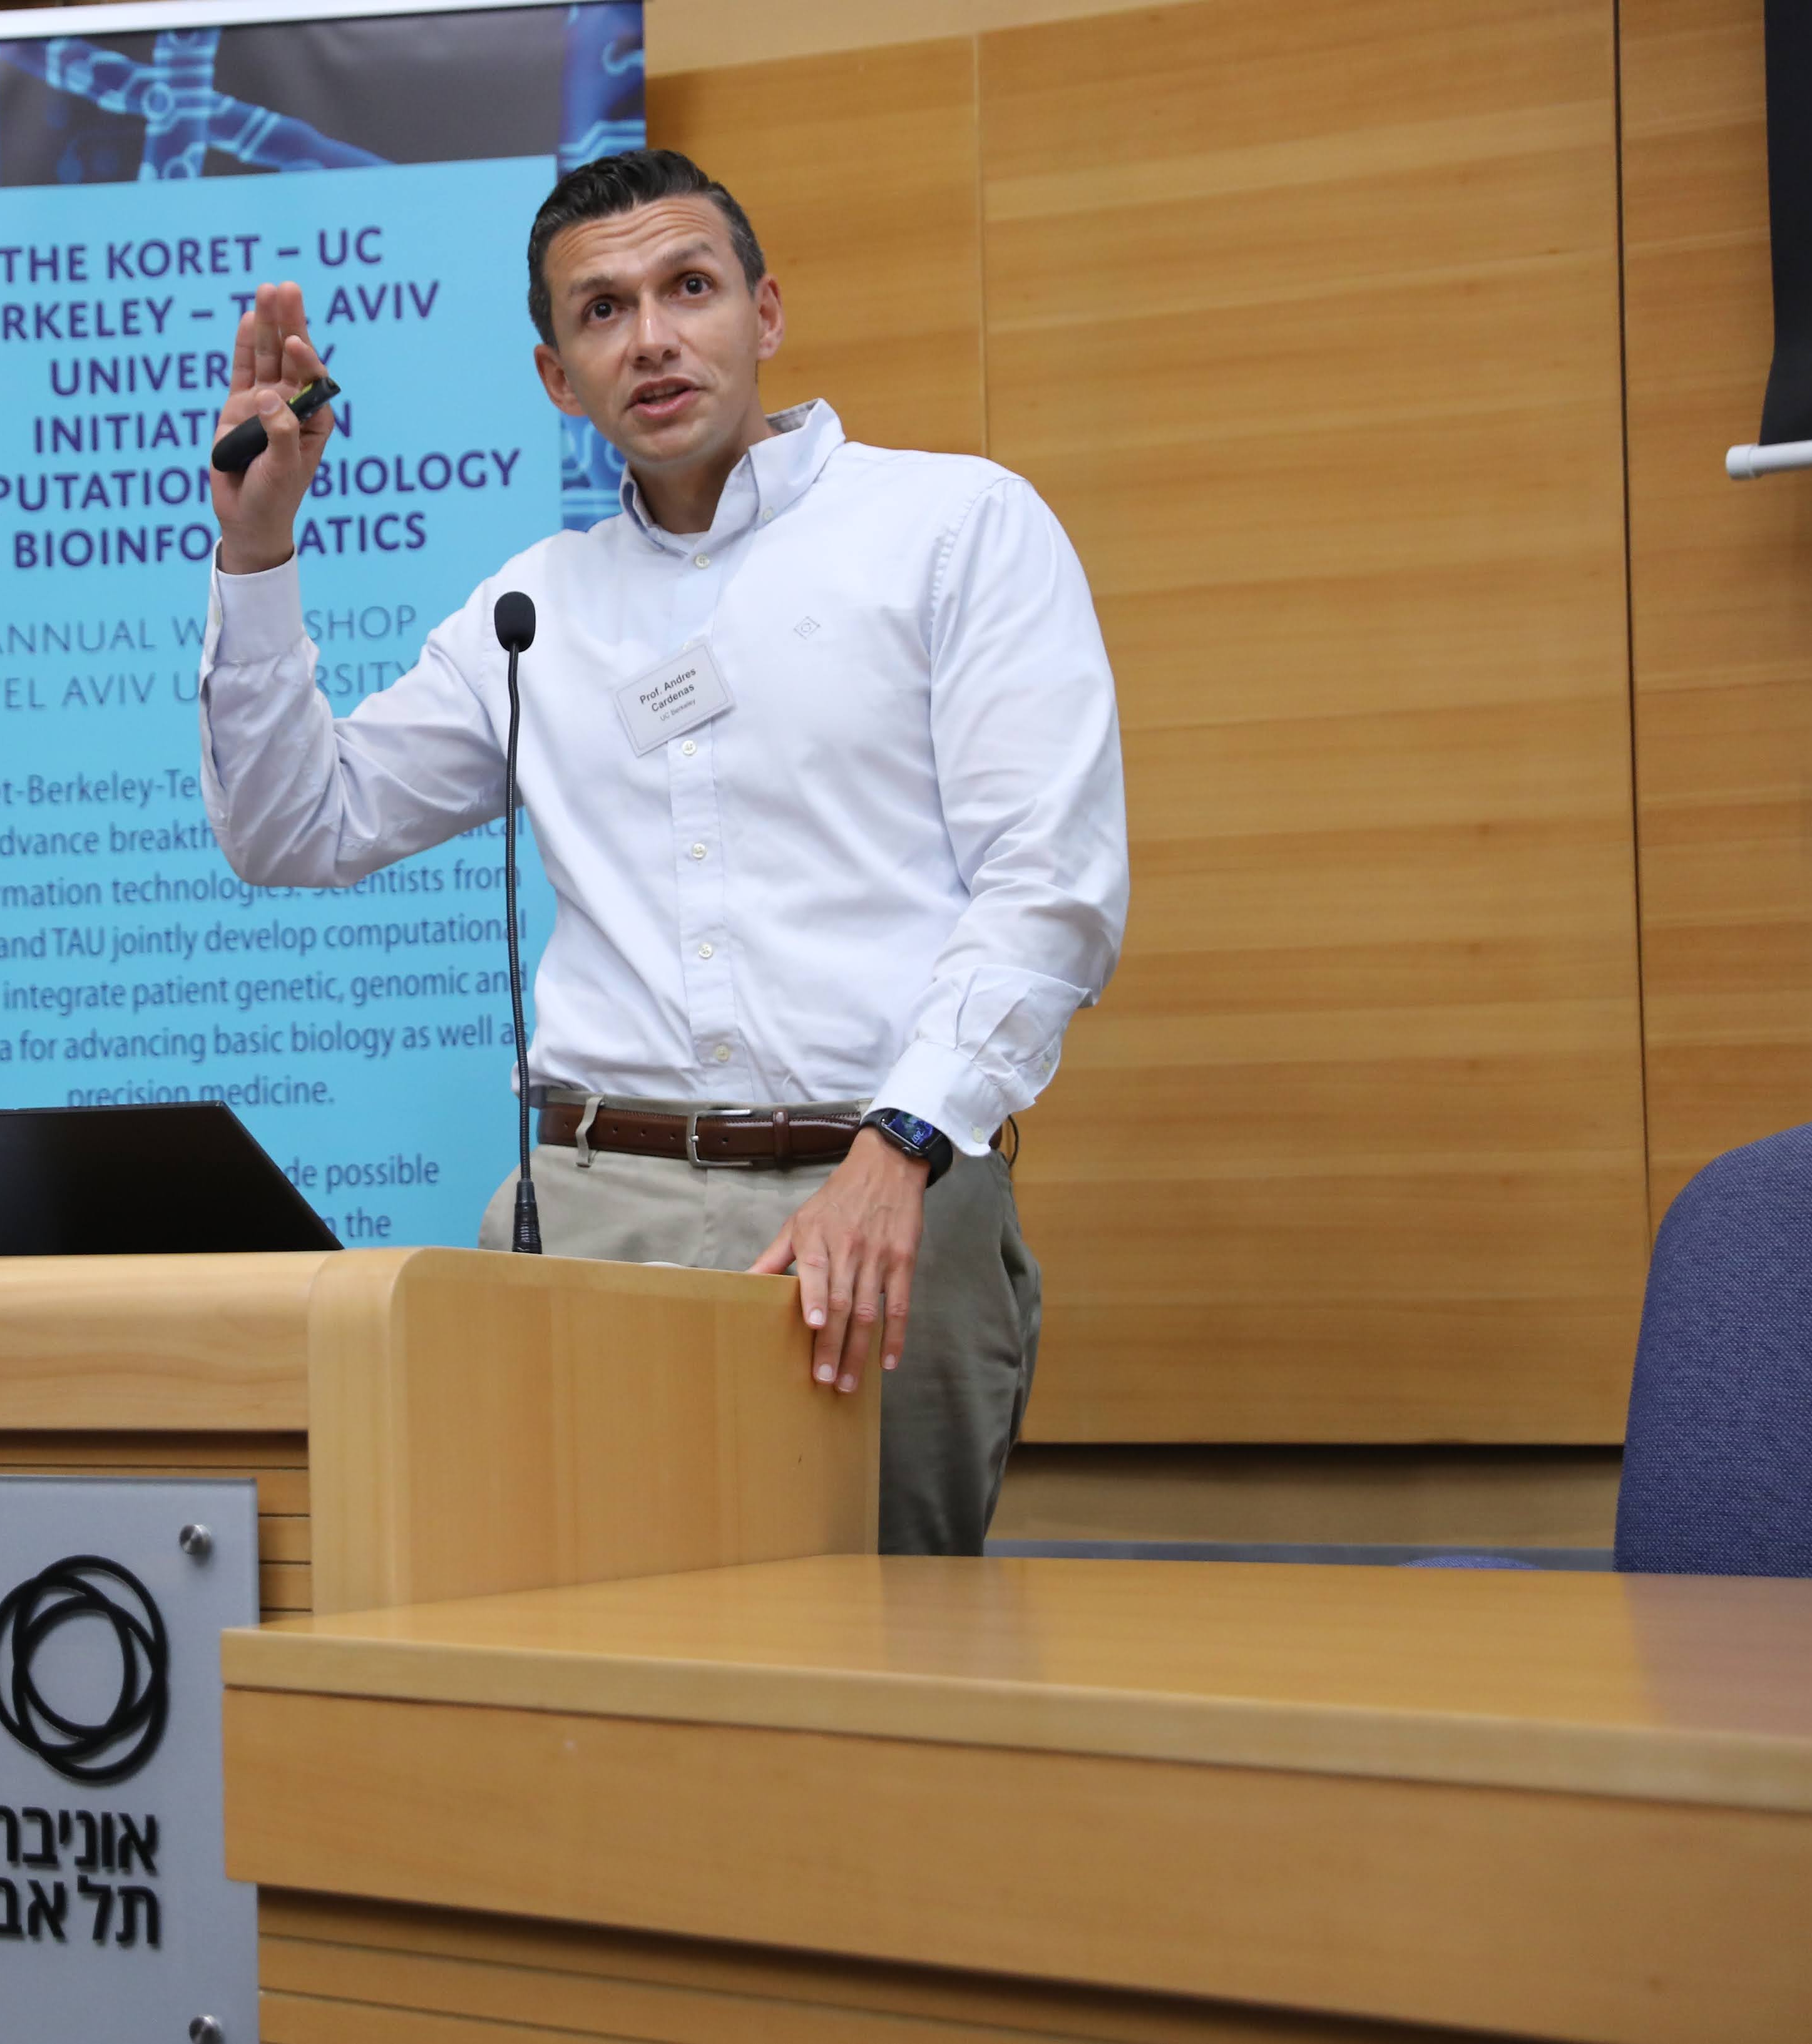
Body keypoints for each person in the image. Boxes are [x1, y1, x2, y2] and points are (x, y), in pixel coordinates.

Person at [195, 148, 1127, 1555]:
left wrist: (902, 1146)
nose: (651, 337)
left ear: (765, 313)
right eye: (602, 310)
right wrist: (258, 550)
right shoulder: (530, 611)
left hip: (882, 1190)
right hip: (592, 1207)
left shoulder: (953, 529)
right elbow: (292, 827)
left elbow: (1049, 889)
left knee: (878, 1648)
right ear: (557, 379)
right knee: (569, 1632)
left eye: (688, 288)